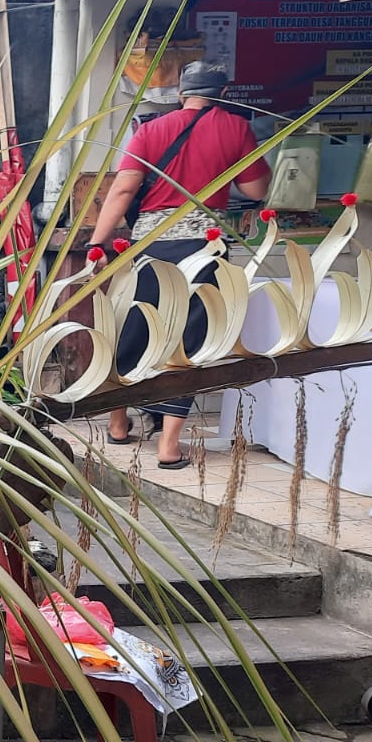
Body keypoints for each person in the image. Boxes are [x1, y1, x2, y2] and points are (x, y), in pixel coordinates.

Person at [88, 61, 270, 469]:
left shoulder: (149, 131)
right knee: (189, 340)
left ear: (181, 92)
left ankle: (118, 422)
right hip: (203, 249)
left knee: (134, 325)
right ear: (222, 91)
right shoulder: (236, 128)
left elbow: (123, 188)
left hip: (149, 247)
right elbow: (255, 188)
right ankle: (168, 447)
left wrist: (97, 243)